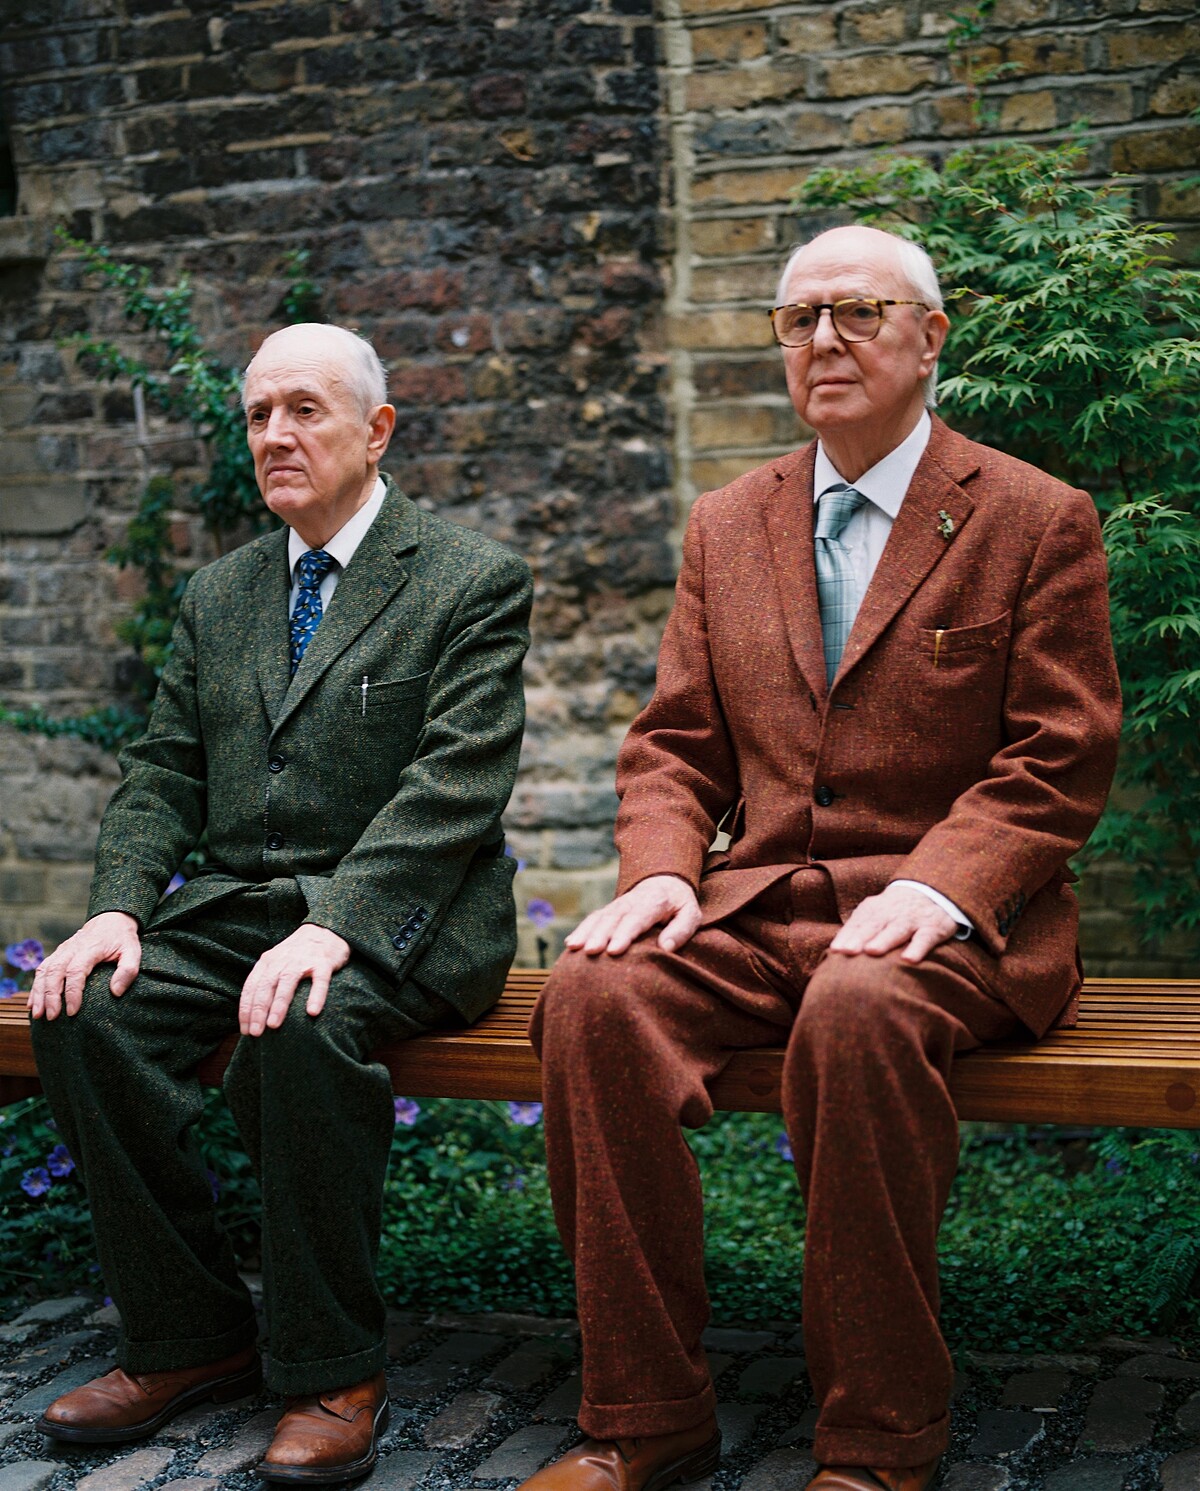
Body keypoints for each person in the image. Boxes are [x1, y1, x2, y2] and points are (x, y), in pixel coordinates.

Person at [519, 226, 1121, 1491]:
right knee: (593, 994)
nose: (825, 342)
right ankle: (643, 1416)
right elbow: (677, 742)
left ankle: (877, 1440)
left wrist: (940, 885)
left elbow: (1058, 757)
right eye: (798, 321)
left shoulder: (1031, 518)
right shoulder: (729, 524)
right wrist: (665, 874)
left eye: (856, 312)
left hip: (950, 930)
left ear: (930, 337)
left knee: (855, 1011)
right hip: (760, 912)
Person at [29, 323, 533, 1485]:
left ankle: (329, 1369)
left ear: (378, 428)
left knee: (301, 1024)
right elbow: (163, 772)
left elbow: (453, 789)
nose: (274, 435)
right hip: (238, 908)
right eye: (258, 414)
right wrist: (117, 908)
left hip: (408, 914)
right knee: (80, 1011)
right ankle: (189, 1339)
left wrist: (333, 926)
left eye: (303, 409)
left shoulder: (468, 578)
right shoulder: (222, 593)